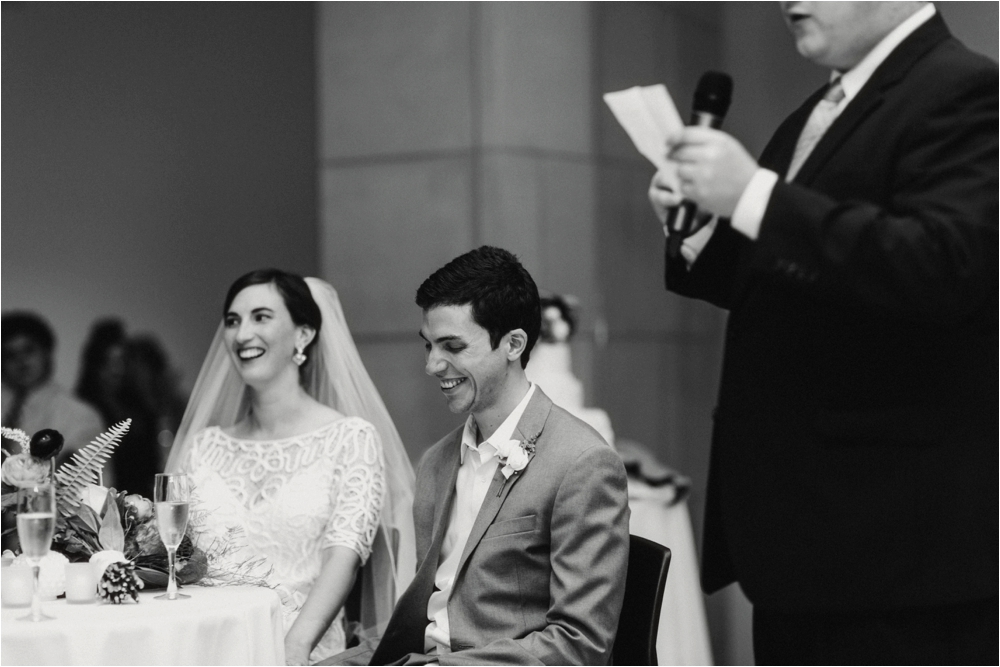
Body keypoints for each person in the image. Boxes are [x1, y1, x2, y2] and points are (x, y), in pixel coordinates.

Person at [648, 2, 996, 663]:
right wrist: (699, 229)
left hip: (895, 554)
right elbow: (781, 278)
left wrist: (752, 195)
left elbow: (943, 267)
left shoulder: (965, 87)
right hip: (801, 545)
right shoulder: (818, 110)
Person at [322, 246, 630, 666]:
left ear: (513, 344)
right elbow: (428, 618)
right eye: (428, 345)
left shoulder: (583, 463)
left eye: (453, 346)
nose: (433, 365)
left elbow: (579, 644)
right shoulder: (436, 461)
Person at [165, 269, 416, 665]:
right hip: (207, 645)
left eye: (261, 317)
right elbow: (174, 556)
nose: (242, 333)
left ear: (303, 335)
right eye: (233, 321)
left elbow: (344, 558)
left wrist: (294, 648)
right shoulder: (203, 447)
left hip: (303, 649)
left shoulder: (350, 438)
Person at [1, 311, 104, 468]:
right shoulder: (3, 407)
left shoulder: (80, 415)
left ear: (47, 352)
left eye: (28, 350)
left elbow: (95, 483)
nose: (21, 361)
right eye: (10, 355)